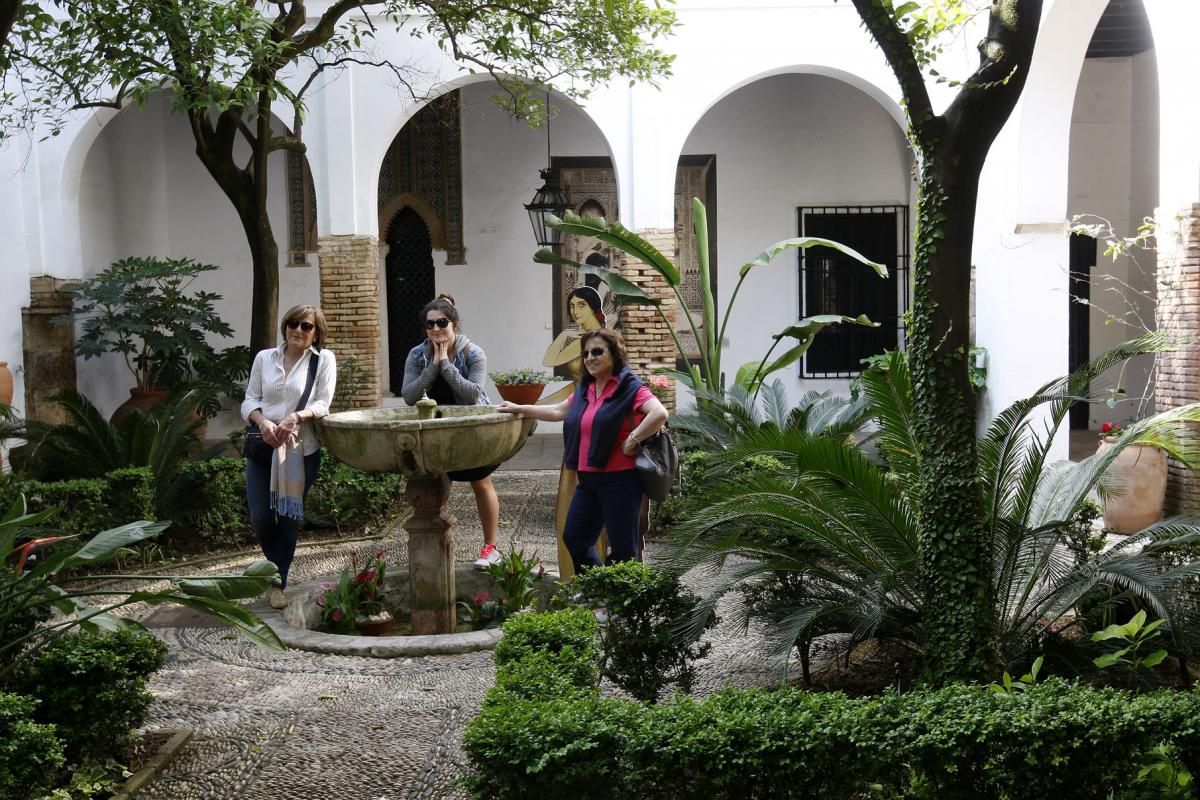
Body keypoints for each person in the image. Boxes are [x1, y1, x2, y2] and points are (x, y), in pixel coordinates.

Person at [500, 329, 667, 572]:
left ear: (615, 354)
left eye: (597, 351)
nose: (590, 357)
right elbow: (558, 411)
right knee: (576, 537)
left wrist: (633, 439)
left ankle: (613, 604)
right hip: (589, 479)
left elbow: (659, 413)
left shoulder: (629, 386)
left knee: (622, 549)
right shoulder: (586, 389)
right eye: (586, 353)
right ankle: (598, 591)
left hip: (621, 479)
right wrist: (520, 408)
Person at [241, 304, 337, 609]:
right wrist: (263, 421)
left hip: (301, 451)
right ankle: (274, 572)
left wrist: (297, 417)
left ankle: (276, 582)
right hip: (263, 448)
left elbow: (323, 403)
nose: (297, 330)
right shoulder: (264, 358)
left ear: (316, 333)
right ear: (285, 326)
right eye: (293, 323)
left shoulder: (323, 360)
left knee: (289, 519)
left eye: (306, 326)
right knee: (261, 518)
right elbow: (250, 399)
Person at [401, 294, 502, 569]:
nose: (436, 329)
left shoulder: (473, 353)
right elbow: (409, 395)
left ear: (454, 325)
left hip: (470, 428)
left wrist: (445, 364)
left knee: (481, 481)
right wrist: (432, 366)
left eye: (442, 323)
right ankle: (434, 543)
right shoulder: (417, 355)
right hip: (433, 427)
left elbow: (471, 395)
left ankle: (490, 547)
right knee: (433, 480)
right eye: (430, 324)